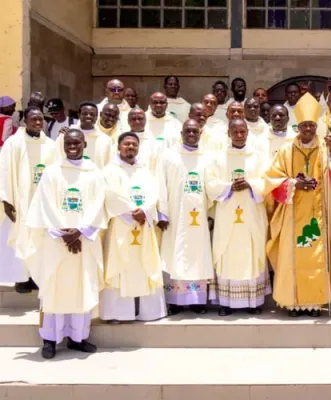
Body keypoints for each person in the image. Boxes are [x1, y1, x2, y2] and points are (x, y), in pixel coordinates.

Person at [25, 128, 106, 359]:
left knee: (81, 287)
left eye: (77, 142)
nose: (73, 146)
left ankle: (77, 338)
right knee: (54, 289)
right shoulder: (51, 173)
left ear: (84, 145)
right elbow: (44, 205)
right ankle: (49, 339)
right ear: (63, 145)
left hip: (83, 242)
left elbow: (98, 204)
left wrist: (79, 231)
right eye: (68, 142)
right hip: (56, 241)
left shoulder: (94, 174)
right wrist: (64, 234)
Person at [263, 93, 331, 317]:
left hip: (318, 215)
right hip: (292, 214)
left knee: (316, 256)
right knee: (291, 257)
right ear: (298, 126)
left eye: (312, 126)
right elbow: (271, 179)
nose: (308, 129)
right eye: (304, 125)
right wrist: (294, 182)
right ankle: (292, 303)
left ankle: (315, 302)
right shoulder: (286, 151)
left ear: (316, 127)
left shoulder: (325, 149)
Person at [100, 132, 166, 324]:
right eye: (127, 144)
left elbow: (154, 193)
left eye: (134, 145)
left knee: (145, 265)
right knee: (120, 267)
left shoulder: (144, 170)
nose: (130, 148)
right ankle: (116, 314)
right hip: (121, 225)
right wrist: (131, 213)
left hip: (143, 226)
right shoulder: (110, 170)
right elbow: (110, 195)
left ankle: (149, 312)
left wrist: (145, 211)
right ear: (118, 147)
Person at [206, 119, 269, 315]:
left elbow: (267, 181)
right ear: (229, 133)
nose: (239, 135)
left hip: (251, 214)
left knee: (252, 253)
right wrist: (228, 187)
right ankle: (226, 303)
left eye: (243, 131)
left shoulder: (258, 157)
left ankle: (254, 302)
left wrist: (251, 184)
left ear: (247, 133)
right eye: (235, 131)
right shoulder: (217, 158)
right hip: (227, 215)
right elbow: (210, 183)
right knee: (226, 253)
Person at [157, 120, 215, 315]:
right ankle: (174, 300)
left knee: (197, 254)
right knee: (174, 253)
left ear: (200, 133)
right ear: (181, 133)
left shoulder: (207, 158)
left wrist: (210, 213)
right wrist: (162, 212)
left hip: (199, 217)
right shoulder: (168, 157)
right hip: (174, 215)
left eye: (195, 131)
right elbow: (160, 185)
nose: (191, 134)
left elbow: (212, 186)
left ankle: (197, 300)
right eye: (188, 131)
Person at [0, 107, 56, 293]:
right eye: (34, 119)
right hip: (21, 199)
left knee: (40, 240)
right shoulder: (13, 144)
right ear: (24, 120)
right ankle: (21, 279)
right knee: (22, 238)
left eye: (41, 119)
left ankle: (36, 277)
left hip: (43, 202)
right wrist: (7, 199)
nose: (38, 123)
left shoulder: (50, 144)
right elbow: (5, 171)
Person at [56, 102, 112, 168]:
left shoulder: (105, 140)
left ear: (97, 117)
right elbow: (57, 157)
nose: (88, 116)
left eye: (92, 114)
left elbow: (108, 165)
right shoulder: (66, 135)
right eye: (85, 113)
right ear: (79, 115)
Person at [127, 108, 160, 173]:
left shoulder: (154, 143)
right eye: (133, 119)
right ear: (128, 121)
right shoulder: (122, 141)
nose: (137, 122)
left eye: (140, 118)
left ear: (145, 120)